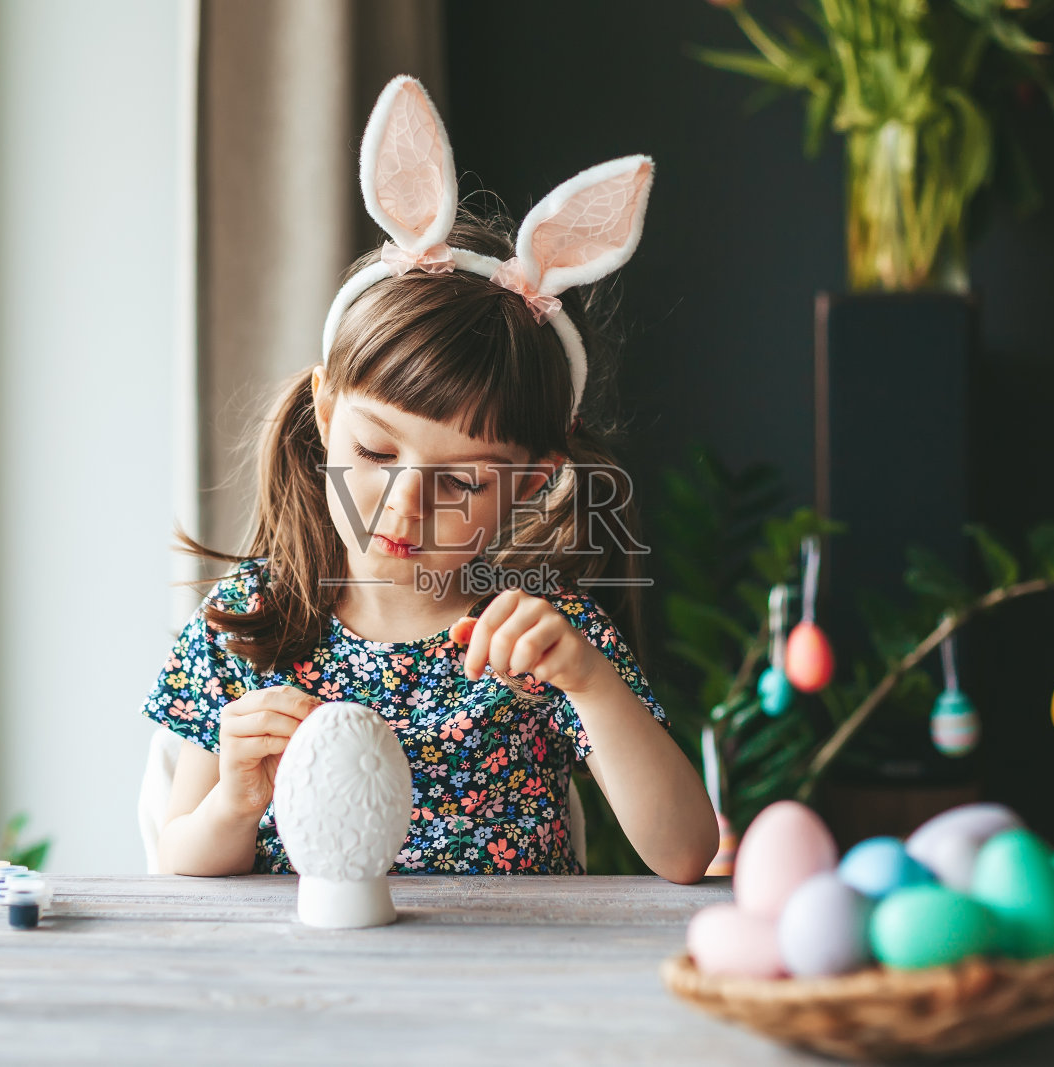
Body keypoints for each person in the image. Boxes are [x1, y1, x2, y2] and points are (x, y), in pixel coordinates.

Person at [143, 76, 716, 883]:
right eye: (377, 454)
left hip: (498, 993)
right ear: (325, 409)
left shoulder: (543, 638)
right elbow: (181, 859)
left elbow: (687, 853)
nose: (405, 503)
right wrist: (235, 800)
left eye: (465, 482)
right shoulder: (256, 618)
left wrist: (589, 680)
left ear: (532, 482)